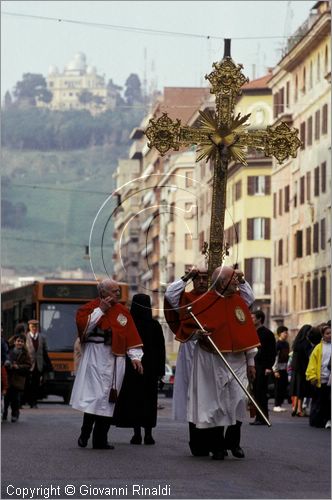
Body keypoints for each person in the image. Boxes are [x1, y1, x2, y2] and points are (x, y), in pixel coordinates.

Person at [165, 265, 255, 457]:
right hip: (203, 355)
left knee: (236, 400)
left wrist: (251, 361)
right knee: (207, 401)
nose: (201, 281)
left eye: (205, 278)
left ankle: (229, 442)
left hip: (232, 358)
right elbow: (171, 296)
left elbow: (246, 313)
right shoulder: (195, 301)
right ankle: (208, 445)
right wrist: (186, 276)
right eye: (197, 278)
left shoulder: (232, 300)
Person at [70, 279, 144, 449]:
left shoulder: (123, 312)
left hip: (115, 359)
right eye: (114, 291)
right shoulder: (89, 308)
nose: (118, 294)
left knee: (109, 400)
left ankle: (100, 440)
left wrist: (135, 357)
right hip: (94, 357)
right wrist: (100, 311)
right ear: (103, 293)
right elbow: (84, 328)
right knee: (94, 398)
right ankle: (85, 432)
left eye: (118, 291)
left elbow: (130, 337)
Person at [114, 294, 166, 445]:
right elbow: (160, 351)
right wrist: (160, 373)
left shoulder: (128, 323)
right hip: (151, 372)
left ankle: (136, 434)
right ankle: (148, 435)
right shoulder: (155, 325)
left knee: (134, 401)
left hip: (132, 370)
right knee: (149, 402)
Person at [250, 310, 276, 425]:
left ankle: (263, 418)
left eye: (253, 317)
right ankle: (258, 417)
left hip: (262, 367)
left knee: (261, 392)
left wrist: (268, 367)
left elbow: (271, 352)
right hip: (253, 365)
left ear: (260, 319)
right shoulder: (251, 332)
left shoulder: (267, 333)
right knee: (255, 392)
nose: (251, 319)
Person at [306, 324, 331, 428]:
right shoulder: (318, 348)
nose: (330, 335)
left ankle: (328, 420)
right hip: (321, 379)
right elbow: (312, 363)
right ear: (322, 335)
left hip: (331, 379)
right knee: (319, 401)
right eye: (327, 333)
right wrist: (312, 376)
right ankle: (317, 421)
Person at [3, 333, 32, 422]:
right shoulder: (9, 351)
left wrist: (18, 366)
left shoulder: (25, 353)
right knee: (6, 399)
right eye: (18, 341)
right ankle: (4, 414)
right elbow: (4, 360)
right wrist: (8, 365)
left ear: (24, 343)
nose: (20, 343)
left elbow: (28, 365)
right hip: (8, 378)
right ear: (14, 342)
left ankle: (15, 414)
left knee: (15, 399)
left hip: (18, 379)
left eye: (22, 342)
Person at [25, 319, 52, 408]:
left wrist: (49, 364)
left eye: (35, 327)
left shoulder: (42, 337)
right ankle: (27, 401)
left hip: (38, 365)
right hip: (28, 364)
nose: (34, 328)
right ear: (29, 327)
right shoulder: (26, 337)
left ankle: (34, 402)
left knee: (36, 384)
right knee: (27, 384)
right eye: (32, 327)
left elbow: (45, 352)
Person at [289, 324, 313, 417]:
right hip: (303, 369)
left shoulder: (296, 342)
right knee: (301, 391)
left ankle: (295, 408)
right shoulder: (306, 343)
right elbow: (309, 356)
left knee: (296, 390)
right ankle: (299, 409)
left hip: (295, 369)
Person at [272, 325, 290, 412]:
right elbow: (275, 357)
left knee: (283, 387)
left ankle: (280, 404)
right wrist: (275, 370)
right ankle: (276, 405)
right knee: (278, 387)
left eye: (287, 333)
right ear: (279, 334)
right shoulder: (277, 344)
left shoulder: (286, 344)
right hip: (278, 369)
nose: (286, 334)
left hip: (285, 368)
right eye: (285, 333)